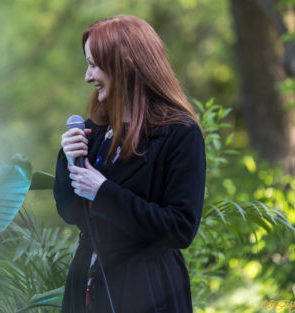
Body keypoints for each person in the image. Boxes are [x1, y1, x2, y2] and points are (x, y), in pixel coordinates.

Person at [53, 14, 206, 313]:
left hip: (148, 290)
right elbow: (72, 213)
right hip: (86, 285)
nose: (87, 76)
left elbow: (180, 228)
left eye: (93, 65)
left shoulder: (180, 133)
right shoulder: (92, 130)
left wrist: (104, 192)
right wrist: (67, 160)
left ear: (125, 64)